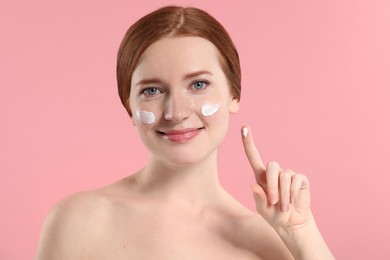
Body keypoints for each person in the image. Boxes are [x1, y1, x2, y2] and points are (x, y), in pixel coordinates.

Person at [36, 6, 334, 259]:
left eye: (198, 85)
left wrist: (301, 230)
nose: (175, 112)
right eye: (152, 90)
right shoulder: (78, 220)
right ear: (129, 105)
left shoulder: (272, 242)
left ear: (234, 93)